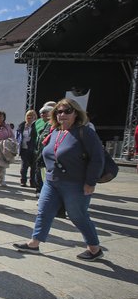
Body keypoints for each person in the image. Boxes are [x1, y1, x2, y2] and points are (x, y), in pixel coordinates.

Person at [14, 98, 105, 261]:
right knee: (44, 211)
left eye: (67, 111)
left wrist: (90, 182)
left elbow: (98, 159)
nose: (62, 115)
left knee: (78, 216)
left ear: (76, 113)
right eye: (59, 111)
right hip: (51, 181)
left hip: (75, 183)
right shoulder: (55, 131)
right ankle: (34, 244)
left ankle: (94, 248)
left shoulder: (85, 132)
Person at [34, 103, 55, 194]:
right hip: (40, 154)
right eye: (42, 113)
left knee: (47, 177)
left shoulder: (55, 125)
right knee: (41, 175)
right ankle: (40, 191)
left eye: (46, 112)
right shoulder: (43, 124)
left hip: (50, 157)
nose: (43, 114)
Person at [16, 109, 38, 187]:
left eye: (32, 117)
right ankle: (23, 181)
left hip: (33, 149)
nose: (30, 119)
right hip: (24, 148)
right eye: (28, 117)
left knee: (33, 167)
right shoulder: (22, 126)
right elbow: (18, 136)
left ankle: (32, 182)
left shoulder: (36, 126)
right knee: (24, 167)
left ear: (35, 118)